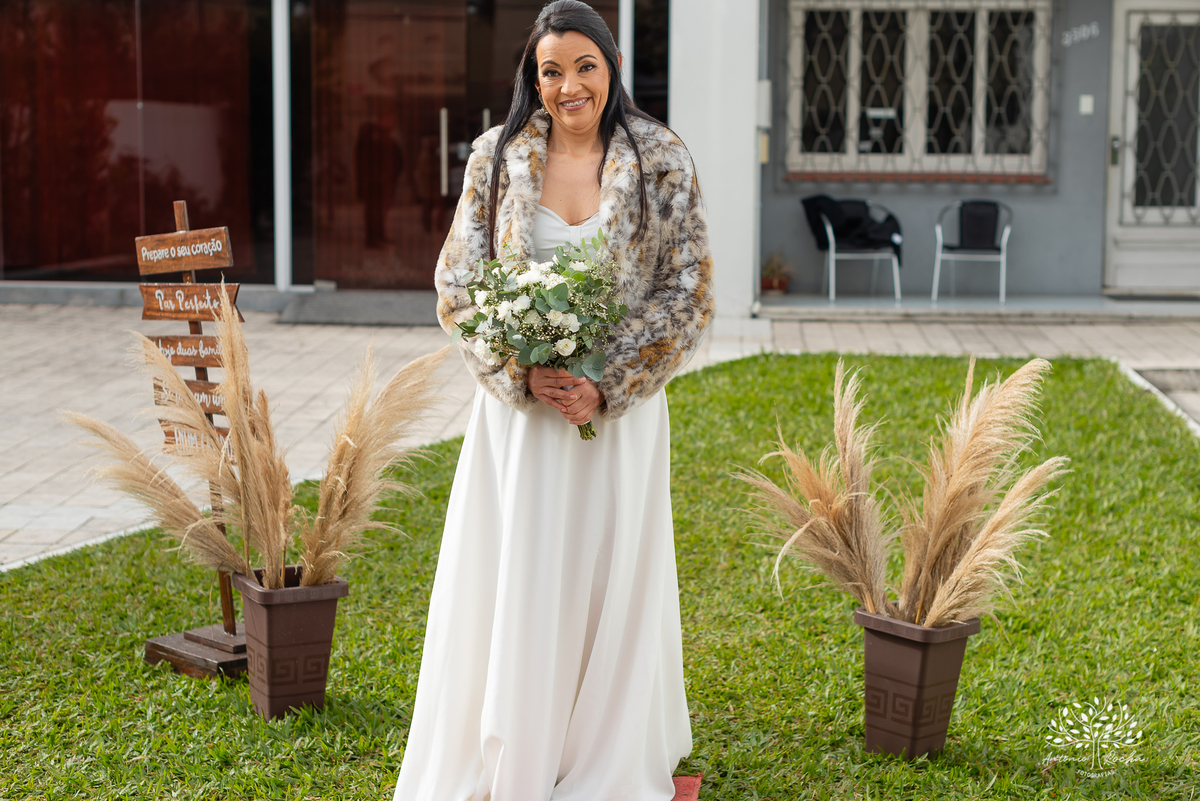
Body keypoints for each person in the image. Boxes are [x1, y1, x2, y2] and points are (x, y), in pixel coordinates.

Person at [394, 2, 714, 799]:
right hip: (522, 425)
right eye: (550, 70)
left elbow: (690, 290)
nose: (568, 86)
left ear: (610, 68)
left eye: (584, 67)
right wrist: (516, 367)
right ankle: (517, 750)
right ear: (531, 80)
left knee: (608, 580)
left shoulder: (662, 159)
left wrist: (608, 381)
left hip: (619, 422)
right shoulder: (494, 160)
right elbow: (457, 285)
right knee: (523, 579)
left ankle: (601, 755)